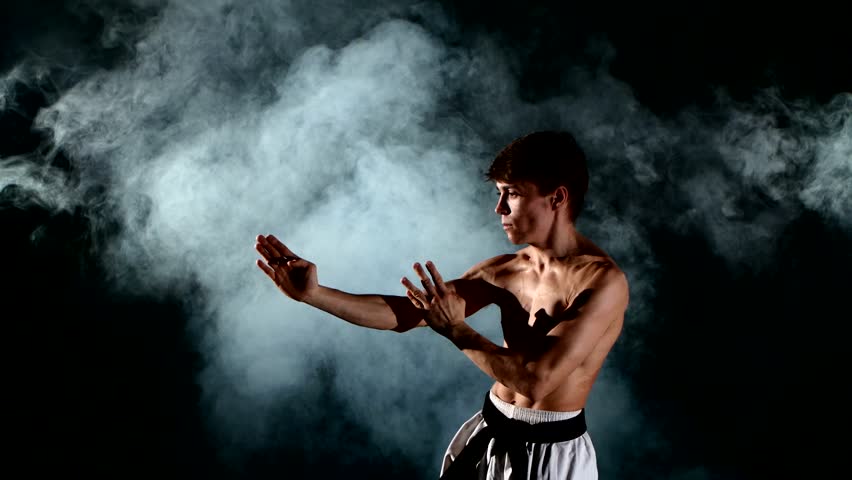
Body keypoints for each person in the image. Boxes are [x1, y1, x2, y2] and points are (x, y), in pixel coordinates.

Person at [255, 131, 629, 479]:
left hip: (553, 454)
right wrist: (315, 295)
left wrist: (456, 330)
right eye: (499, 193)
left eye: (512, 194)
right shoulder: (506, 270)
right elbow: (408, 313)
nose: (498, 208)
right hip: (491, 430)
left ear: (557, 198)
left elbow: (535, 381)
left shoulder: (602, 282)